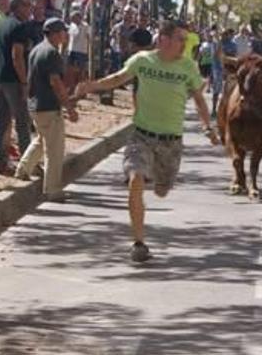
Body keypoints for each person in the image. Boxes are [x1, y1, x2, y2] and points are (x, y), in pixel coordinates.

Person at [75, 22, 220, 262]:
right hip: (142, 135)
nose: (184, 44)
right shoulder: (142, 60)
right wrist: (92, 86)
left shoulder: (188, 67)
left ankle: (158, 180)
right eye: (179, 39)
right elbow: (118, 78)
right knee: (135, 179)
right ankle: (139, 243)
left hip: (170, 142)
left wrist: (208, 127)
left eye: (186, 40)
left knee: (162, 191)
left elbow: (199, 99)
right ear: (162, 39)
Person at [15, 19, 78, 201]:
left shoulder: (36, 50)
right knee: (54, 149)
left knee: (42, 139)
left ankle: (23, 169)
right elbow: (56, 82)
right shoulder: (52, 54)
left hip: (35, 105)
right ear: (56, 33)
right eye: (63, 32)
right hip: (48, 106)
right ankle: (52, 189)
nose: (65, 36)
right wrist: (69, 107)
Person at [0, 0, 34, 175]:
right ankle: (27, 162)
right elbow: (17, 57)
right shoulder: (19, 27)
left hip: (0, 77)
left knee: (0, 121)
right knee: (22, 122)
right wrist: (24, 82)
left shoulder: (4, 23)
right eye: (27, 5)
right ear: (18, 6)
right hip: (14, 80)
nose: (30, 9)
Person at [65, 7, 90, 92]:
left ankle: (81, 89)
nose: (73, 20)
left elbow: (89, 37)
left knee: (81, 70)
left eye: (74, 18)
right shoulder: (72, 26)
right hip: (72, 49)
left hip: (82, 51)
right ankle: (71, 87)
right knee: (71, 69)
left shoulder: (86, 26)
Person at [110, 6, 136, 72]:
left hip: (129, 54)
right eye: (126, 12)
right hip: (118, 54)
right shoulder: (117, 26)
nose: (128, 15)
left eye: (130, 13)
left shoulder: (134, 28)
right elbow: (112, 36)